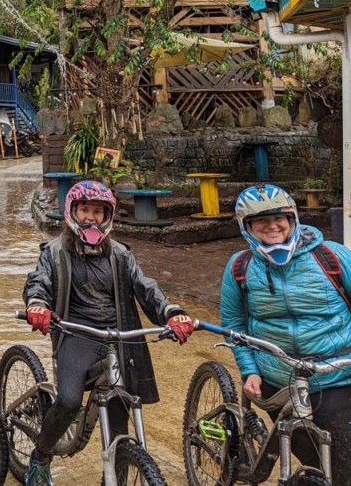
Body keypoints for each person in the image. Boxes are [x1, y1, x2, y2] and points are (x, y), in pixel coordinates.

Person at [21, 180, 194, 486]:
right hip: (76, 334)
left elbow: (146, 287)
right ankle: (40, 456)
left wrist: (172, 312)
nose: (91, 217)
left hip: (118, 337)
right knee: (69, 402)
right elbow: (39, 281)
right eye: (85, 210)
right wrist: (37, 305)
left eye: (98, 212)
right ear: (72, 212)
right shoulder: (55, 251)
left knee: (120, 410)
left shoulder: (120, 254)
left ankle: (117, 476)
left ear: (107, 216)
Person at [220, 184, 351, 483]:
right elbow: (234, 325)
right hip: (278, 379)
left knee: (342, 464)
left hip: (336, 375)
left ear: (292, 219)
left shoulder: (332, 256)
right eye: (261, 220)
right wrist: (249, 371)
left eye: (279, 217)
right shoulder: (240, 266)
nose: (272, 226)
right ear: (246, 227)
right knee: (316, 460)